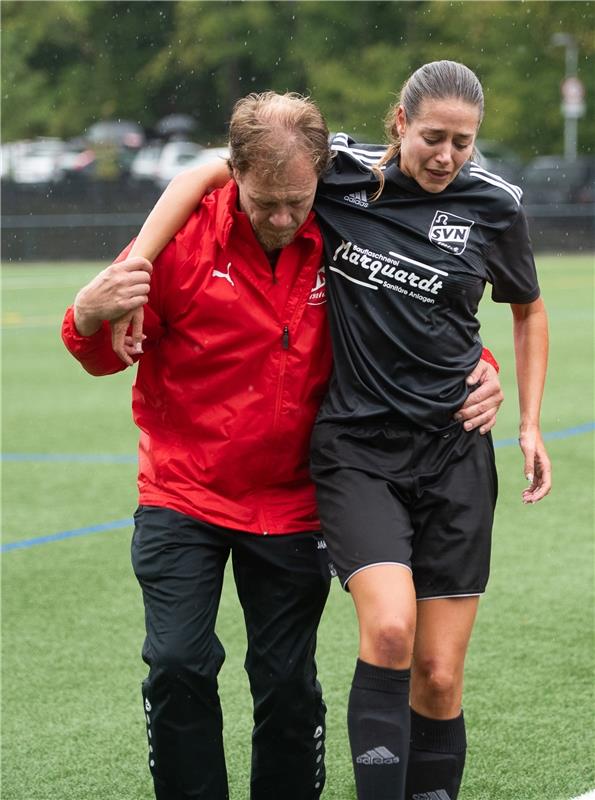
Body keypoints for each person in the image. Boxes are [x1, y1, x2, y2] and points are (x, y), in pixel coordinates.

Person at [108, 65, 550, 800]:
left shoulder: (494, 204)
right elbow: (208, 169)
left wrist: (521, 411)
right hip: (354, 452)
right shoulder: (336, 173)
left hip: (452, 451)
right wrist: (138, 265)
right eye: (432, 137)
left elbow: (519, 306)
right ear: (398, 123)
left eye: (462, 143)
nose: (445, 156)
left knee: (439, 674)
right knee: (383, 635)